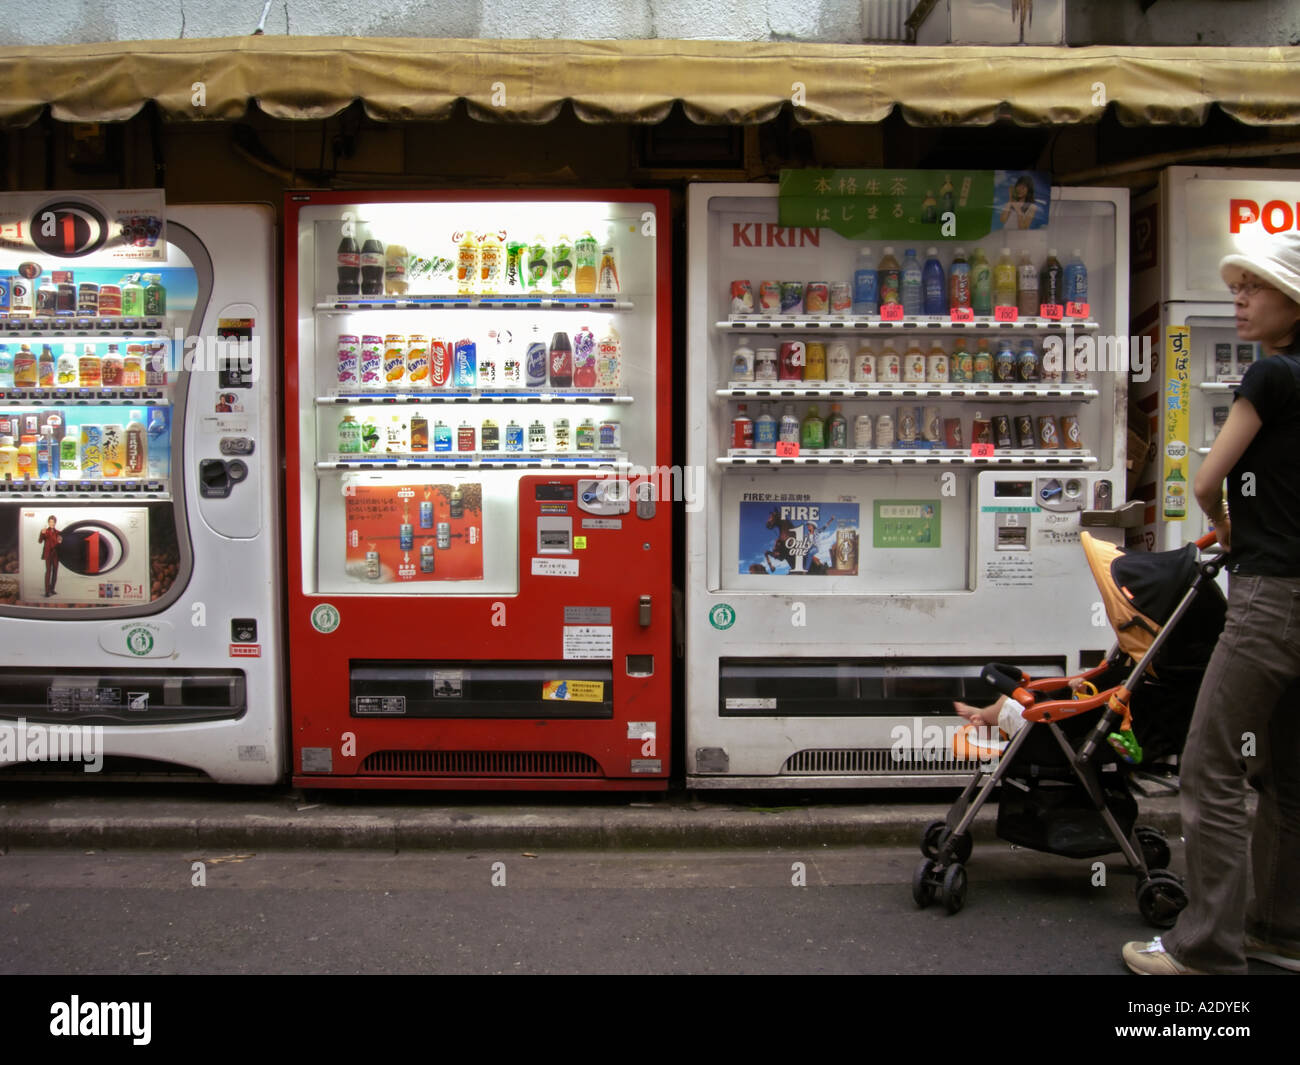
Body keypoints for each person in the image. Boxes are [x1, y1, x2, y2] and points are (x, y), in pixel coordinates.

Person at [1122, 231, 1300, 975]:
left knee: (1211, 763)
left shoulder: (1270, 376)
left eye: (1255, 287)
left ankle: (1205, 948)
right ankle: (1278, 930)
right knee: (1288, 771)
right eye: (1237, 286)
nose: (1240, 297)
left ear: (1292, 302)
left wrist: (1227, 525)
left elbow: (1204, 482)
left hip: (1268, 598)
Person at [37, 515, 61, 597]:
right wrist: (41, 534)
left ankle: (52, 589)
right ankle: (47, 591)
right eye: (50, 522)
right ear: (48, 522)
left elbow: (59, 543)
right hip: (48, 554)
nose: (52, 523)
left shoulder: (58, 532)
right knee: (48, 572)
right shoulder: (45, 531)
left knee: (55, 572)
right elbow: (40, 541)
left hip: (56, 555)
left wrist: (60, 542)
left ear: (55, 523)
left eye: (53, 522)